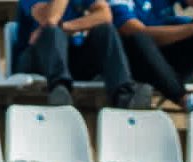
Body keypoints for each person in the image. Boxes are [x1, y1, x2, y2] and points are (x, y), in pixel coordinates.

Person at [13, 0, 150, 107]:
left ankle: (124, 94)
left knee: (105, 30)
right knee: (51, 32)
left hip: (70, 58)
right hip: (36, 60)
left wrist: (67, 27)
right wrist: (60, 27)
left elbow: (104, 15)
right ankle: (59, 90)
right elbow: (50, 19)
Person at [109, 0, 193, 112]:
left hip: (172, 61)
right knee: (138, 37)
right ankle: (188, 102)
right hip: (138, 66)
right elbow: (133, 30)